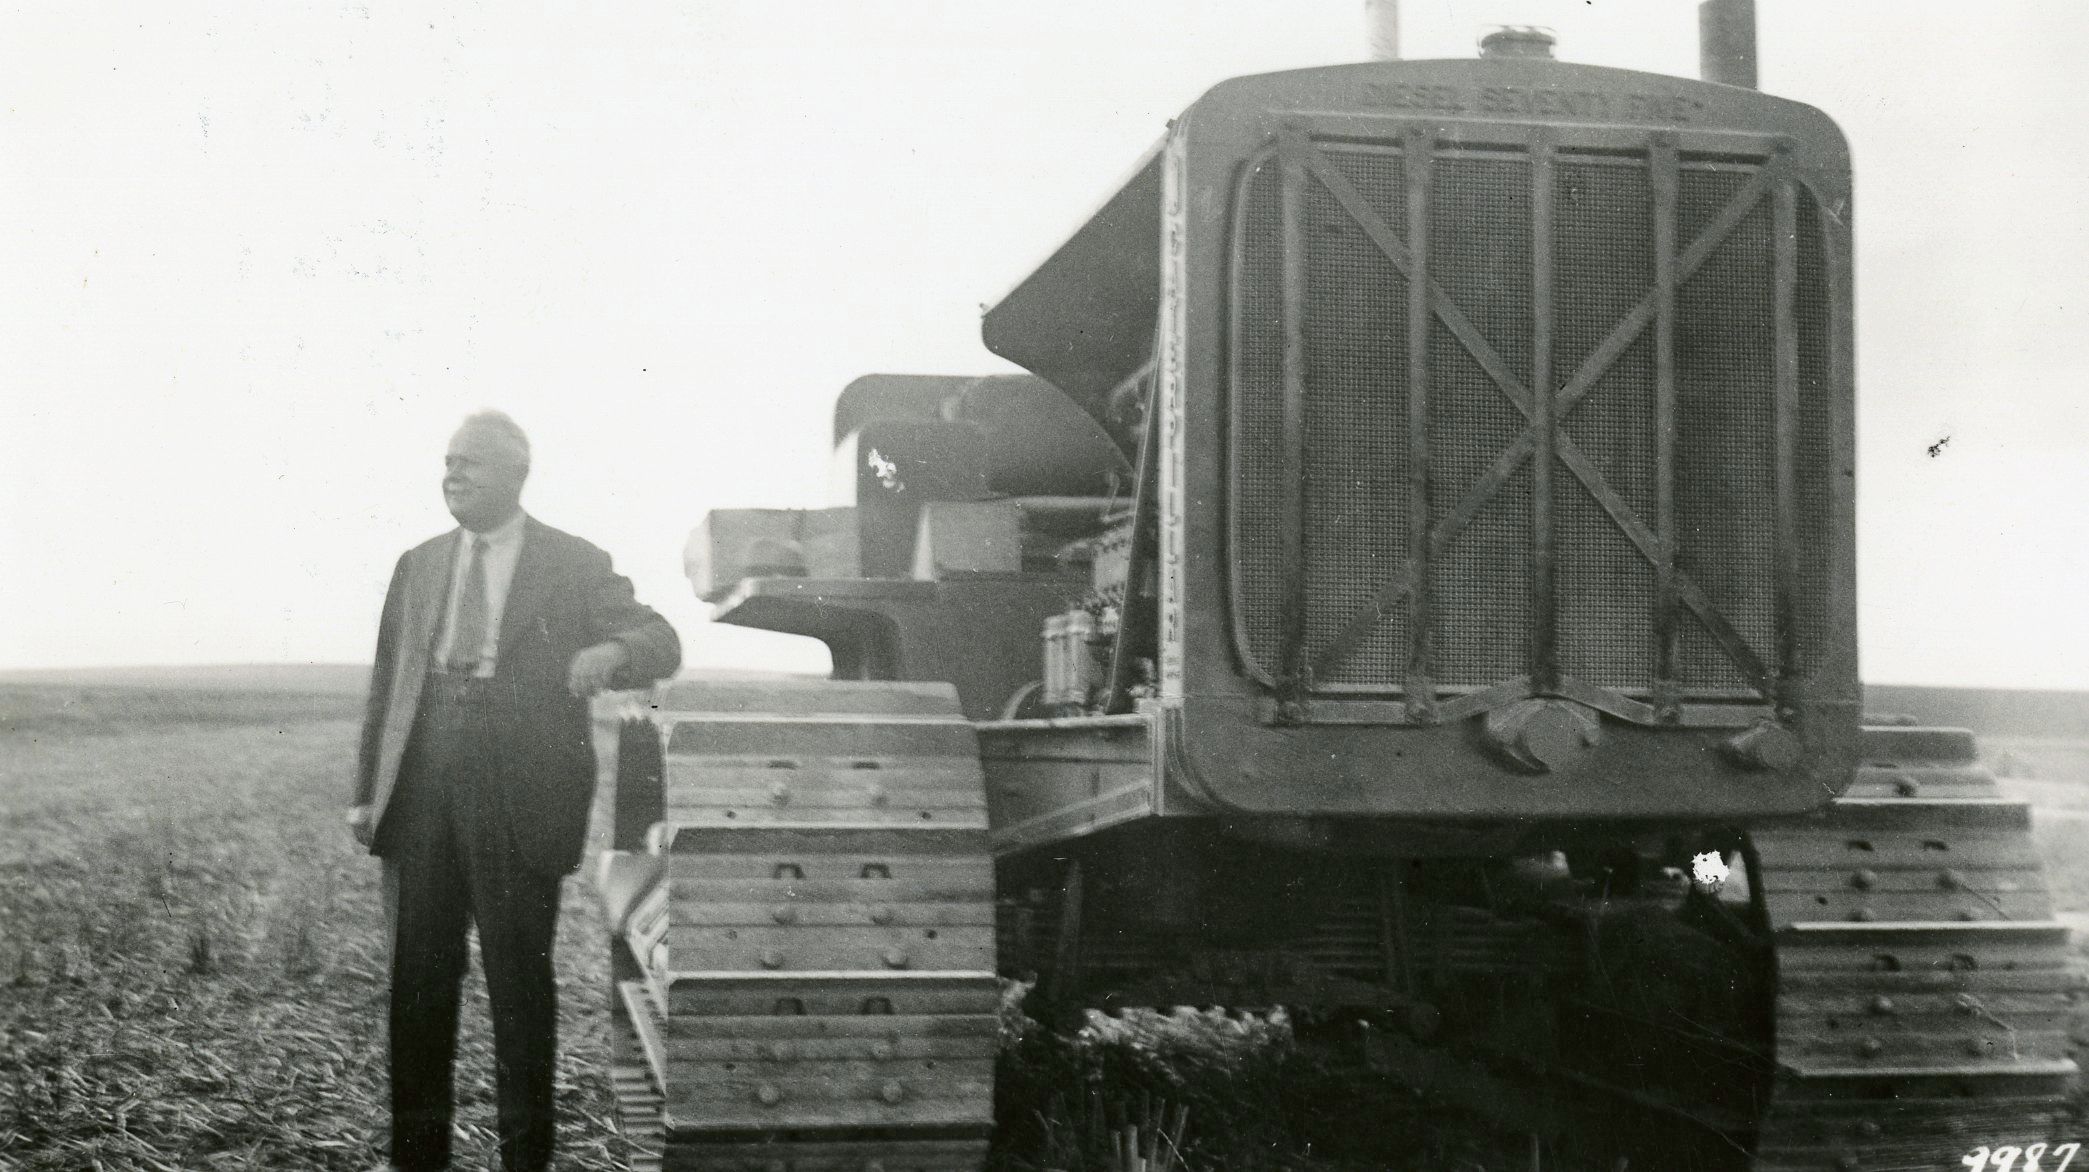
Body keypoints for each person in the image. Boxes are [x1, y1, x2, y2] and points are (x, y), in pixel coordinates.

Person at [349, 410, 680, 1172]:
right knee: (418, 986)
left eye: (470, 463)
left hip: (520, 792)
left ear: (516, 476)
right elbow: (386, 686)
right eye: (447, 462)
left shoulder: (575, 561)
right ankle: (416, 1160)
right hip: (423, 784)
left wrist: (612, 649)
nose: (452, 475)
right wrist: (367, 792)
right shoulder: (419, 563)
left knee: (517, 987)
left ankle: (525, 1162)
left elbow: (660, 639)